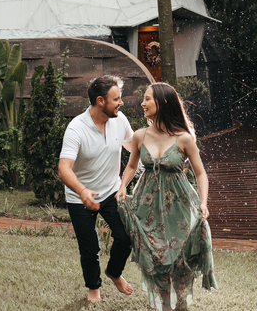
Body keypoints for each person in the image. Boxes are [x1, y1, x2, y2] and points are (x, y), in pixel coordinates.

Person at [118, 82, 217, 311]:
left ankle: (180, 305)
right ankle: (164, 305)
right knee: (157, 259)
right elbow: (132, 166)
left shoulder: (183, 138)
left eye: (147, 99)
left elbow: (200, 173)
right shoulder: (139, 135)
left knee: (179, 260)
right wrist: (123, 186)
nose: (142, 103)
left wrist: (203, 202)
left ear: (162, 102)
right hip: (148, 206)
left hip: (180, 207)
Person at [58, 75, 136, 303]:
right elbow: (64, 169)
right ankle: (94, 288)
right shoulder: (76, 129)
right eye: (116, 99)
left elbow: (135, 149)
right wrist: (82, 191)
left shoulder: (120, 120)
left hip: (111, 190)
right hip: (79, 196)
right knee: (90, 247)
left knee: (125, 237)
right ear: (100, 101)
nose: (121, 103)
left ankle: (114, 272)